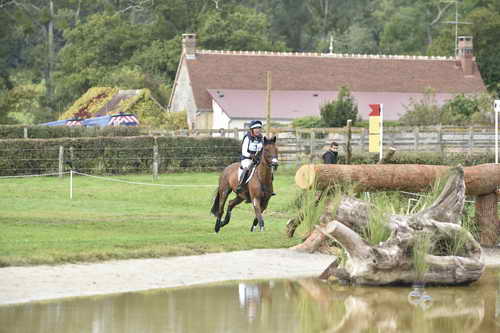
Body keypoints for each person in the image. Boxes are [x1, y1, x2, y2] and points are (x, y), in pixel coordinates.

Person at [236, 120, 264, 193]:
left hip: (258, 159)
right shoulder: (247, 138)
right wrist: (252, 156)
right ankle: (241, 185)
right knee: (247, 167)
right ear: (252, 130)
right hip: (247, 159)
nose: (258, 130)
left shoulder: (261, 138)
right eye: (256, 128)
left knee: (267, 168)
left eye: (259, 128)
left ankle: (268, 188)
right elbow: (244, 151)